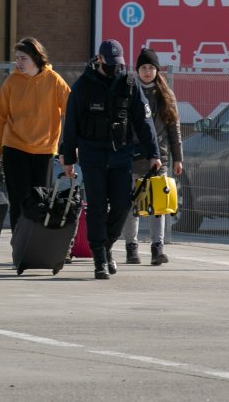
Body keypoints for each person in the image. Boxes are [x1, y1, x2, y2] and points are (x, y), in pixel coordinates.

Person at [60, 39, 162, 280]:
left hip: (120, 156)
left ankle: (106, 246)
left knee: (122, 205)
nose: (114, 68)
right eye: (110, 63)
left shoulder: (128, 83)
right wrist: (68, 159)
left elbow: (144, 122)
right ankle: (99, 259)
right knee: (96, 207)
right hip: (92, 155)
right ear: (100, 59)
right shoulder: (83, 85)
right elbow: (72, 124)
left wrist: (154, 154)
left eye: (118, 64)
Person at [0, 37, 71, 231]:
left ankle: (35, 242)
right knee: (18, 199)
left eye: (23, 58)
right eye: (17, 58)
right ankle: (18, 242)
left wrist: (68, 146)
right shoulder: (11, 82)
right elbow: (0, 118)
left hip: (44, 150)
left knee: (40, 199)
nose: (18, 63)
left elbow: (71, 111)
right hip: (14, 147)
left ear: (36, 58)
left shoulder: (54, 80)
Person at [122, 48, 184, 266]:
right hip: (135, 157)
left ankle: (158, 248)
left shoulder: (165, 94)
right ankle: (132, 248)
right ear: (137, 70)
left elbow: (173, 128)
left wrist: (178, 158)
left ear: (157, 70)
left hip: (161, 157)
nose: (147, 72)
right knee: (133, 204)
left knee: (159, 204)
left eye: (151, 68)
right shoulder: (129, 91)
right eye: (143, 68)